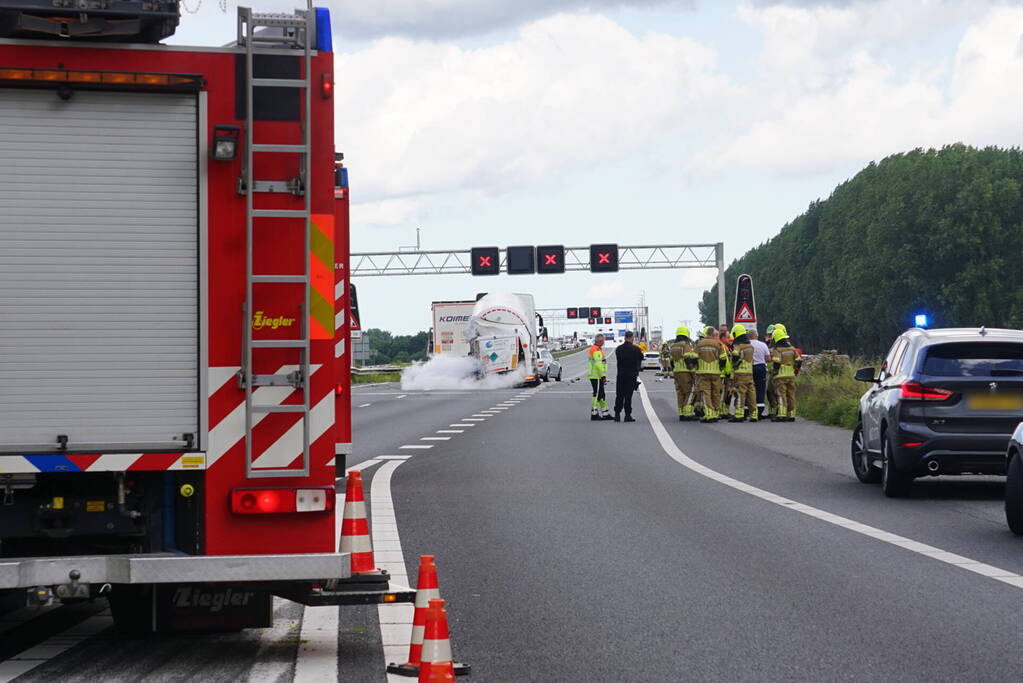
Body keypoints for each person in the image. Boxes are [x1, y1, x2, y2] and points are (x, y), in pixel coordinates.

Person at [694, 326, 727, 423]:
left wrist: (696, 367)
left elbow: (693, 357)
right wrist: (720, 368)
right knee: (716, 393)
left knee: (706, 393)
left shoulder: (699, 344)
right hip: (716, 373)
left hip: (703, 373)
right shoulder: (718, 344)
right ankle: (716, 413)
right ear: (713, 335)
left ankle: (709, 414)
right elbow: (723, 359)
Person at [770, 326, 802, 422]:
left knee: (781, 394)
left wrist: (774, 372)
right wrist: (795, 369)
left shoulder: (777, 350)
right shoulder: (792, 349)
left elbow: (776, 363)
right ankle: (791, 414)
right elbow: (799, 360)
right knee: (791, 394)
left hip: (780, 376)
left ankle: (781, 414)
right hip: (791, 376)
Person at [613, 330, 644, 422]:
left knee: (619, 395)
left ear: (625, 338)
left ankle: (617, 414)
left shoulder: (618, 349)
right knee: (628, 396)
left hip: (621, 375)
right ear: (632, 338)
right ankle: (627, 415)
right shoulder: (636, 349)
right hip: (631, 375)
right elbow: (641, 358)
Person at [669, 326, 698, 421]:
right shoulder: (685, 345)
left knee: (680, 392)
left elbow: (671, 362)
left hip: (676, 372)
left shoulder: (673, 346)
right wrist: (693, 372)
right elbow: (688, 360)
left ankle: (681, 412)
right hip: (685, 372)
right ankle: (688, 412)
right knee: (690, 391)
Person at [729, 324, 757, 422]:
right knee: (751, 394)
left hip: (740, 373)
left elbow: (735, 356)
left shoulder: (738, 346)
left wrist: (735, 363)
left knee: (740, 393)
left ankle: (739, 414)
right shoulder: (750, 346)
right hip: (749, 373)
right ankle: (754, 414)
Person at [587, 334, 612, 421]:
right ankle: (594, 413)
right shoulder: (595, 349)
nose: (604, 342)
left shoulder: (598, 349)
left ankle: (605, 413)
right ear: (599, 341)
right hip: (596, 376)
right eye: (603, 341)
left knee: (601, 394)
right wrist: (603, 376)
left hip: (597, 375)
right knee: (597, 393)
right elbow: (598, 364)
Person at [749, 329, 770, 420]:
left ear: (748, 336)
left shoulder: (747, 345)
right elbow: (768, 358)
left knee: (750, 389)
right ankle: (760, 411)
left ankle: (749, 410)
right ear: (757, 335)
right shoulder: (763, 344)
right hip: (761, 367)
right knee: (760, 389)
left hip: (750, 368)